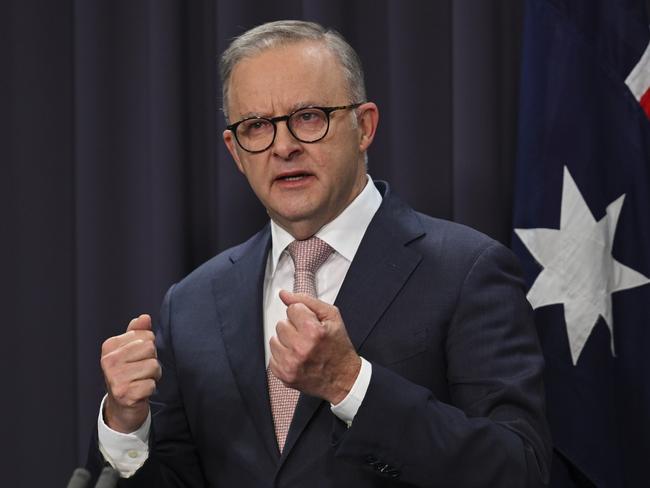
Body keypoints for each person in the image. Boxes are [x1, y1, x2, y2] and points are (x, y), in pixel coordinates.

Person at [87, 20, 551, 487]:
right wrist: (127, 423)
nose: (284, 147)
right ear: (235, 150)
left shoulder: (466, 270)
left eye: (308, 117)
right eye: (256, 126)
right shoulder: (193, 303)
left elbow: (520, 469)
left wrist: (351, 385)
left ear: (364, 126)